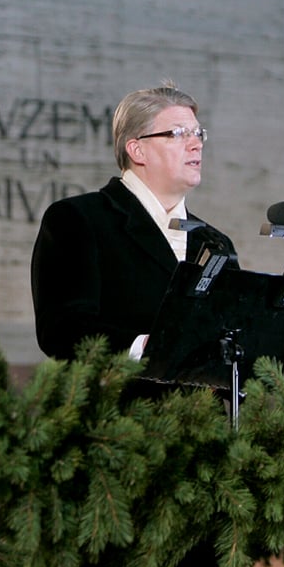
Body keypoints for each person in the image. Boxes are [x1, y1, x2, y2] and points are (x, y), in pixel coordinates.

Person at [31, 81, 237, 363]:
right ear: (137, 150)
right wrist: (144, 346)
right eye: (178, 133)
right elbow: (61, 330)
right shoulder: (79, 219)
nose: (195, 144)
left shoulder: (215, 243)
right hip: (118, 402)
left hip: (201, 407)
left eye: (198, 133)